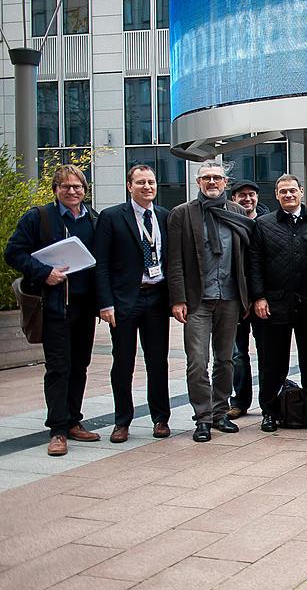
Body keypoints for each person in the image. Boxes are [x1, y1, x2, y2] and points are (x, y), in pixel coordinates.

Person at [5, 165, 100, 456]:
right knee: (58, 367)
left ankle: (73, 420)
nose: (72, 192)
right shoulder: (39, 218)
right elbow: (13, 252)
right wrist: (44, 272)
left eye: (77, 187)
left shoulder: (94, 219)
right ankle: (57, 430)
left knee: (80, 366)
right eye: (65, 187)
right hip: (56, 306)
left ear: (85, 189)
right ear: (56, 190)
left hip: (85, 307)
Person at [167, 160, 254, 442]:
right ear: (198, 183)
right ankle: (202, 417)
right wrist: (178, 299)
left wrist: (248, 298)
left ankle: (220, 413)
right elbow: (176, 261)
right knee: (196, 361)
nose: (212, 182)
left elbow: (247, 259)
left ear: (226, 183)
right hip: (197, 300)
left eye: (217, 178)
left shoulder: (238, 212)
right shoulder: (182, 214)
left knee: (226, 360)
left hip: (230, 298)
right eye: (207, 178)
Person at [94, 165, 171, 444]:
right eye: (140, 182)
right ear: (129, 186)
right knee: (123, 362)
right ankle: (122, 421)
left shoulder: (164, 216)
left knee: (158, 361)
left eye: (151, 182)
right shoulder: (111, 217)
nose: (147, 187)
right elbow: (100, 264)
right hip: (125, 300)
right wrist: (105, 303)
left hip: (157, 298)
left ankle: (161, 418)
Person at [249, 174, 307, 432]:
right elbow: (255, 263)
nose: (289, 195)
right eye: (283, 192)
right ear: (277, 195)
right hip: (274, 304)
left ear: (301, 191)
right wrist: (258, 296)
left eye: (293, 190)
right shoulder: (263, 224)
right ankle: (269, 411)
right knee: (272, 361)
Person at [227, 178, 268, 419]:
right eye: (242, 195)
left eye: (251, 194)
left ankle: (268, 401)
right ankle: (239, 401)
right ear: (234, 199)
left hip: (262, 300)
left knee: (267, 353)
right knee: (237, 355)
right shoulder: (229, 223)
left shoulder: (266, 224)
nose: (247, 198)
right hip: (235, 300)